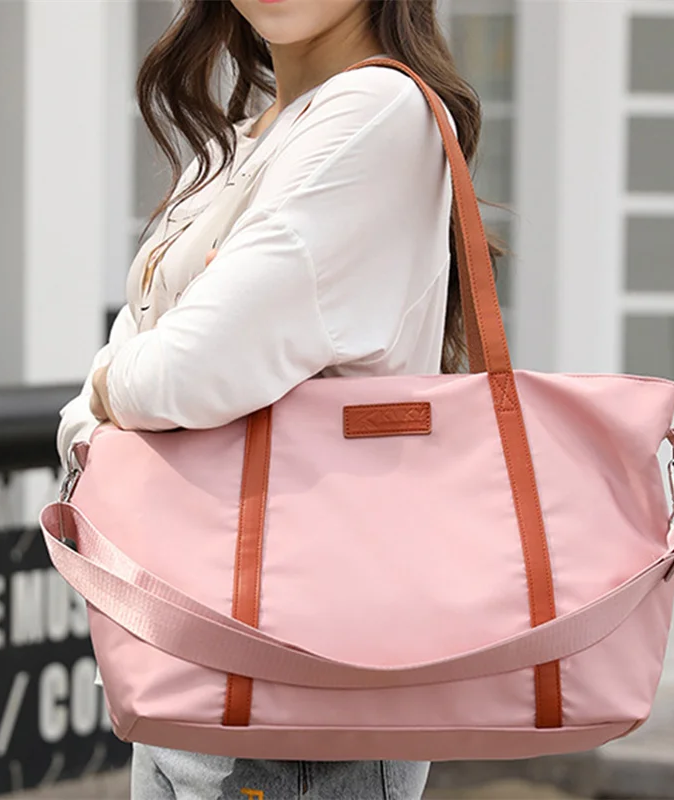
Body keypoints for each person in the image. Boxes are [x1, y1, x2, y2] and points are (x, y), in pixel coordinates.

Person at [56, 0, 497, 797]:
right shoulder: (239, 142)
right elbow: (144, 365)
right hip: (184, 650)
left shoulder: (377, 111)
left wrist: (107, 387)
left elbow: (181, 369)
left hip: (296, 667)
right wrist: (127, 386)